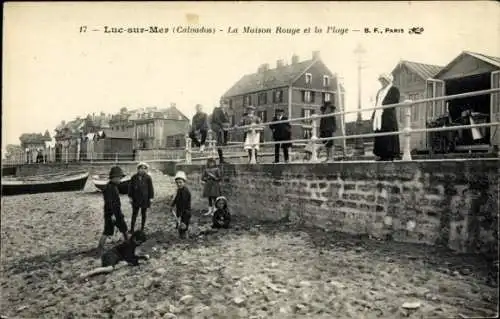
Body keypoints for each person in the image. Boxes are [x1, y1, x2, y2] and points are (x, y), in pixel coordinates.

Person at [97, 166, 129, 254]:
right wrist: (113, 215)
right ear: (113, 178)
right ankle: (100, 247)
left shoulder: (113, 186)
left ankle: (128, 242)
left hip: (115, 212)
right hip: (112, 213)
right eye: (119, 178)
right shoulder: (109, 188)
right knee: (108, 230)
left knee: (122, 227)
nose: (120, 180)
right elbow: (109, 203)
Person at [371, 73, 401, 161]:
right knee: (380, 134)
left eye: (383, 80)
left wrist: (384, 106)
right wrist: (374, 114)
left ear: (388, 81)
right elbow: (377, 104)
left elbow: (395, 100)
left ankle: (390, 155)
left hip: (388, 116)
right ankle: (381, 154)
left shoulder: (394, 90)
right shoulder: (379, 92)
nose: (382, 82)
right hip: (379, 116)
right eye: (381, 81)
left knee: (388, 135)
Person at [128, 162, 155, 233]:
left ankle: (142, 228)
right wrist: (130, 197)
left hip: (144, 199)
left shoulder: (148, 177)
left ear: (146, 170)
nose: (142, 170)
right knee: (134, 214)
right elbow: (130, 188)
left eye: (144, 168)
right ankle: (132, 229)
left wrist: (151, 198)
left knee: (144, 213)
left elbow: (151, 188)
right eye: (140, 168)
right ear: (138, 169)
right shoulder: (134, 177)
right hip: (136, 198)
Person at [171, 171, 192, 239]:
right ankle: (181, 234)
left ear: (184, 182)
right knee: (179, 223)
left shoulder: (185, 191)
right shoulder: (179, 190)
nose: (179, 184)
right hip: (179, 210)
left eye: (180, 182)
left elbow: (184, 203)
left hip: (185, 211)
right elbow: (176, 198)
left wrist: (180, 214)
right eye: (177, 183)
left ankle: (184, 235)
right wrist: (172, 204)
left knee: (183, 223)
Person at [211, 99, 231, 164]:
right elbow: (216, 119)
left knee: (221, 141)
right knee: (219, 141)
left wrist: (227, 124)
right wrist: (223, 125)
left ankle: (225, 141)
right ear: (220, 104)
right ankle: (221, 159)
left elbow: (227, 121)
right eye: (222, 103)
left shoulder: (225, 112)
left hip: (222, 128)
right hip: (216, 126)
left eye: (225, 104)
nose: (224, 105)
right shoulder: (216, 109)